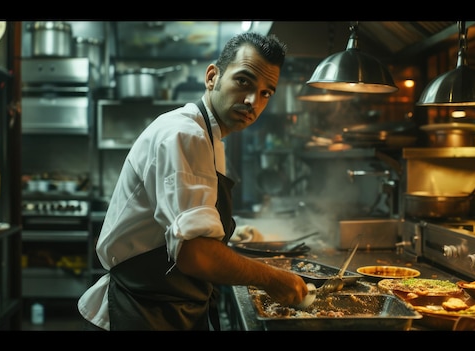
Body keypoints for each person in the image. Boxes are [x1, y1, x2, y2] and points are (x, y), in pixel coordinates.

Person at [78, 32, 309, 331]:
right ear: (212, 76)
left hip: (166, 307)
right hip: (140, 313)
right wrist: (270, 278)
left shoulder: (210, 137)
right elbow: (194, 253)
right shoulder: (185, 135)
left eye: (266, 92)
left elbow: (182, 223)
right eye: (244, 82)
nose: (253, 101)